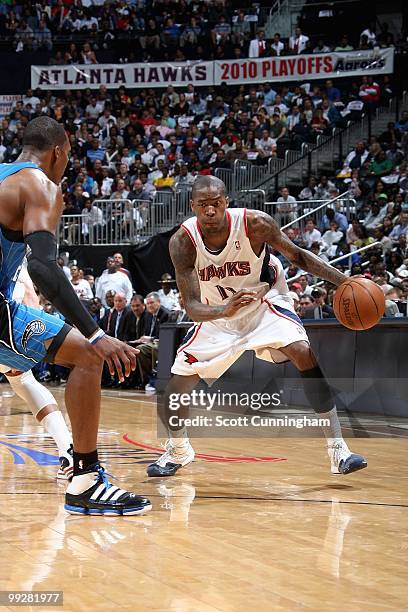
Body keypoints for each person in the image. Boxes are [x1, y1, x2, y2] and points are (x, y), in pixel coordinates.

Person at [147, 176, 366, 478]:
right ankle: (179, 450)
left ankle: (338, 450)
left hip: (264, 302)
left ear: (226, 201)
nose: (210, 210)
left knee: (302, 351)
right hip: (218, 314)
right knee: (174, 391)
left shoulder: (255, 224)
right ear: (192, 206)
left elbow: (298, 256)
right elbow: (192, 307)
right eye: (202, 205)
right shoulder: (183, 241)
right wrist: (225, 309)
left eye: (216, 203)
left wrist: (345, 281)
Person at [0, 116, 151, 516]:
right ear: (59, 153)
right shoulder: (40, 185)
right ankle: (85, 480)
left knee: (26, 380)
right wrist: (97, 333)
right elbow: (44, 269)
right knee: (87, 353)